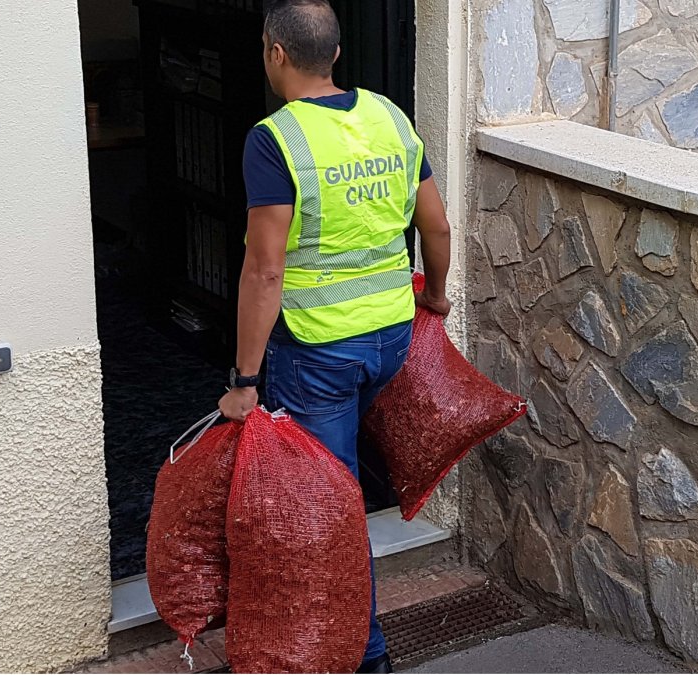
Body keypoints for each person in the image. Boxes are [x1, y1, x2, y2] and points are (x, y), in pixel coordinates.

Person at [217, 0, 453, 671]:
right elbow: (434, 226)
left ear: (275, 53)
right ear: (338, 54)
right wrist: (433, 293)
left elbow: (264, 270)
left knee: (330, 510)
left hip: (318, 353)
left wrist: (244, 381)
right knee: (342, 496)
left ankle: (362, 654)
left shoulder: (276, 139)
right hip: (389, 340)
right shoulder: (388, 116)